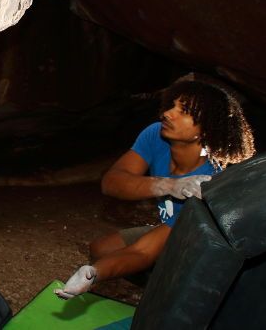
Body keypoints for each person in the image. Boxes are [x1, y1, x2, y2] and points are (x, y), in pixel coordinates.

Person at [55, 78, 255, 299]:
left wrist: (97, 273)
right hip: (171, 228)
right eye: (172, 106)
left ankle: (167, 287)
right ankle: (156, 280)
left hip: (204, 247)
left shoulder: (210, 182)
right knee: (102, 249)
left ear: (206, 130)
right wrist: (167, 185)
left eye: (184, 111)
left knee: (164, 269)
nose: (168, 114)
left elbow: (142, 251)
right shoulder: (156, 135)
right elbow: (112, 182)